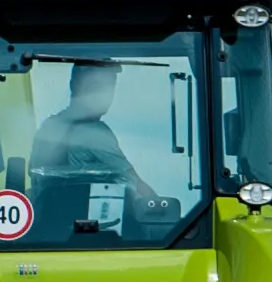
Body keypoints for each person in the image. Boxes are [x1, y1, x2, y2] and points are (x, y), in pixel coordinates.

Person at [31, 60, 173, 229]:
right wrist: (165, 214)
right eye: (95, 86)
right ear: (73, 85)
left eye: (110, 86)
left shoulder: (49, 125)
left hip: (49, 228)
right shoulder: (94, 132)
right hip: (91, 231)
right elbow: (137, 185)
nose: (104, 95)